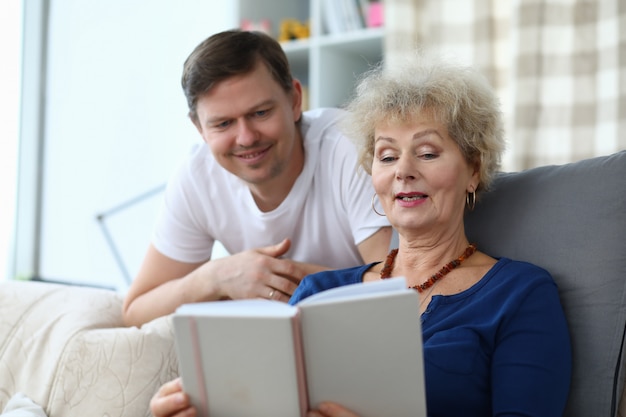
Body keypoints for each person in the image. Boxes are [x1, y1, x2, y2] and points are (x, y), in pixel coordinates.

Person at [150, 51, 572, 417]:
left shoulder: (519, 293)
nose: (403, 171)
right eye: (387, 156)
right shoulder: (319, 292)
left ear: (473, 170)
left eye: (427, 153)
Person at [121, 29, 391, 328]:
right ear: (199, 128)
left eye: (261, 113)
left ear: (294, 101)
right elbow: (136, 309)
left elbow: (401, 289)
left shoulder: (349, 146)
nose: (246, 138)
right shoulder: (197, 177)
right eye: (223, 123)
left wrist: (294, 281)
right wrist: (215, 277)